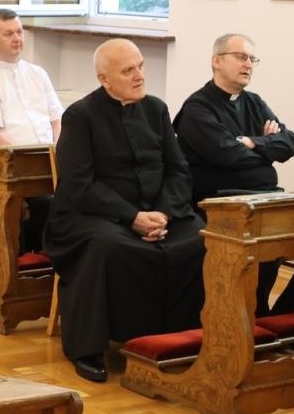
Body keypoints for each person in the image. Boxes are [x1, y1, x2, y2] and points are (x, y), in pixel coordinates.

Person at [43, 39, 205, 384]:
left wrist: (163, 213)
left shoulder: (156, 109)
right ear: (104, 79)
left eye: (141, 66)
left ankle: (189, 337)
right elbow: (79, 184)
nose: (139, 75)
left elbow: (178, 170)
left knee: (201, 240)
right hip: (94, 214)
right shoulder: (81, 116)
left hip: (158, 213)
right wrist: (132, 217)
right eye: (128, 70)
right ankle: (89, 347)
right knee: (108, 246)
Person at [173, 32, 294, 316]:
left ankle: (277, 314)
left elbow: (288, 144)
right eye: (240, 57)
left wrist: (250, 142)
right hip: (219, 203)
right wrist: (266, 149)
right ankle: (246, 315)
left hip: (263, 198)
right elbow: (226, 153)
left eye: (252, 58)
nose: (248, 64)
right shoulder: (197, 108)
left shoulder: (254, 102)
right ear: (216, 61)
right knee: (260, 244)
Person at [0, 8, 62, 251]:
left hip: (53, 158)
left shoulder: (38, 73)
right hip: (16, 165)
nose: (17, 38)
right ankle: (44, 257)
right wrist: (28, 157)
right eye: (9, 34)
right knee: (49, 203)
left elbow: (56, 120)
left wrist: (57, 149)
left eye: (19, 32)